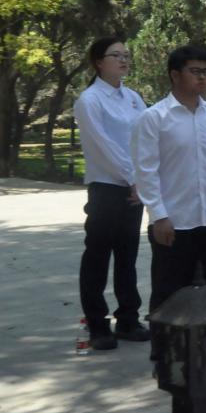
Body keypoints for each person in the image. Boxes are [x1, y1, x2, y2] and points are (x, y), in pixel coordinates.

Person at [131, 45, 206, 319]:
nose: (204, 77)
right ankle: (165, 345)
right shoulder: (154, 117)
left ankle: (205, 343)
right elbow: (146, 172)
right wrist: (159, 216)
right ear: (175, 75)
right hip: (173, 222)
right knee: (169, 293)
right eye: (196, 71)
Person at [74, 37, 149, 350]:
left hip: (134, 188)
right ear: (98, 62)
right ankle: (97, 324)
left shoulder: (132, 98)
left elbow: (147, 136)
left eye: (126, 54)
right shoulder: (89, 100)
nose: (123, 59)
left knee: (127, 256)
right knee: (98, 256)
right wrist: (133, 178)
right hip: (106, 188)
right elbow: (103, 145)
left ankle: (128, 319)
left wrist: (144, 179)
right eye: (115, 55)